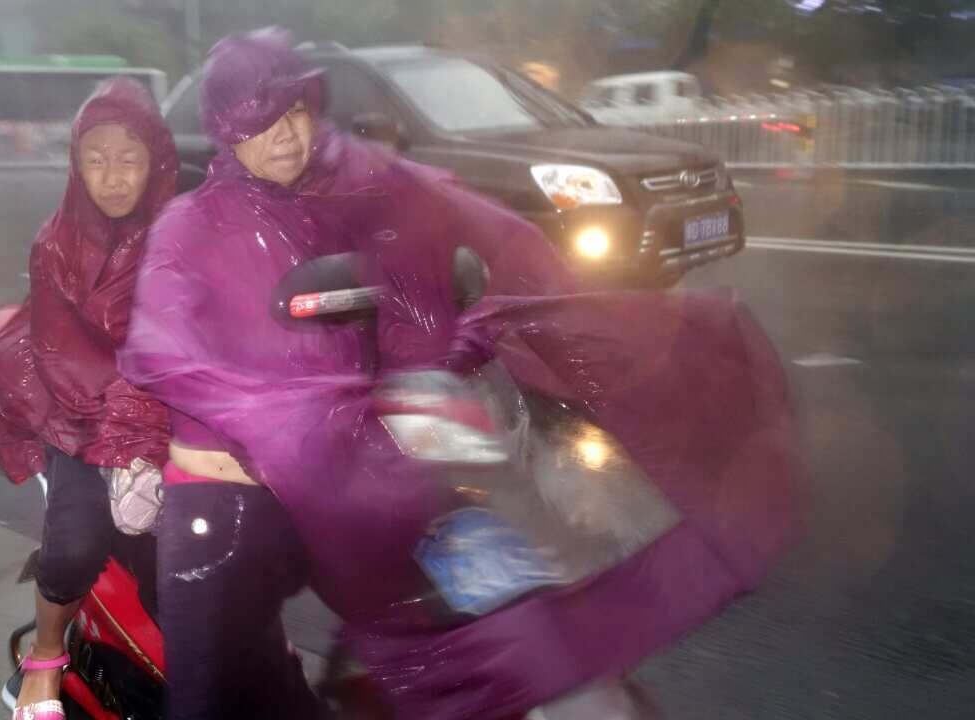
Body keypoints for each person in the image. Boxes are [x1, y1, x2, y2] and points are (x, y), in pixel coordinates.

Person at [121, 28, 802, 720]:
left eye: (295, 111)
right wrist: (298, 423)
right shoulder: (190, 227)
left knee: (515, 625)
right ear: (224, 131)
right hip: (234, 493)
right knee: (210, 693)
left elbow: (484, 231)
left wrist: (542, 315)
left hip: (368, 468)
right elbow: (169, 351)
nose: (288, 135)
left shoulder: (354, 179)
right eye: (261, 124)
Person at [0, 78, 174, 720]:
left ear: (156, 161)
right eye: (96, 157)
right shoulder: (54, 243)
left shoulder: (182, 232)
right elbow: (63, 355)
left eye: (128, 157)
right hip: (83, 417)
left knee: (208, 549)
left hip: (174, 412)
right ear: (76, 165)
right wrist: (131, 434)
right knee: (77, 543)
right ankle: (46, 656)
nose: (112, 175)